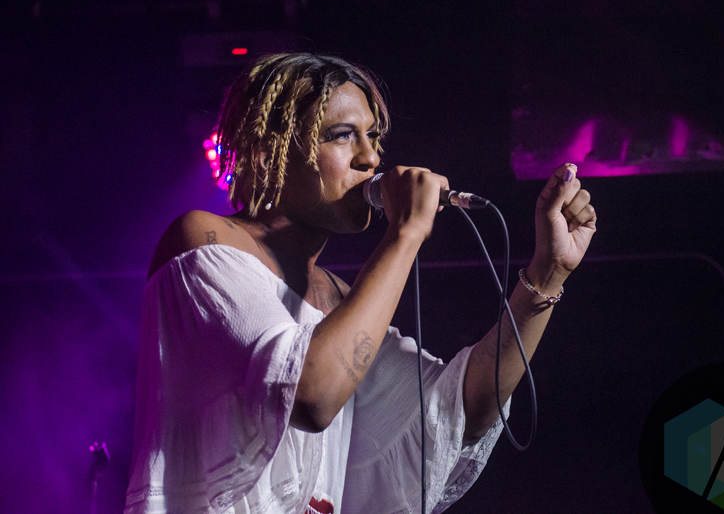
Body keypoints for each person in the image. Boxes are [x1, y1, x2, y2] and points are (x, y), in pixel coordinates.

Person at [124, 53, 596, 514]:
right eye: (343, 135)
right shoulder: (203, 239)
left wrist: (547, 272)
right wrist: (406, 233)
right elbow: (311, 394)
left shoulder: (339, 299)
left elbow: (461, 411)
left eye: (373, 137)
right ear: (271, 152)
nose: (371, 158)